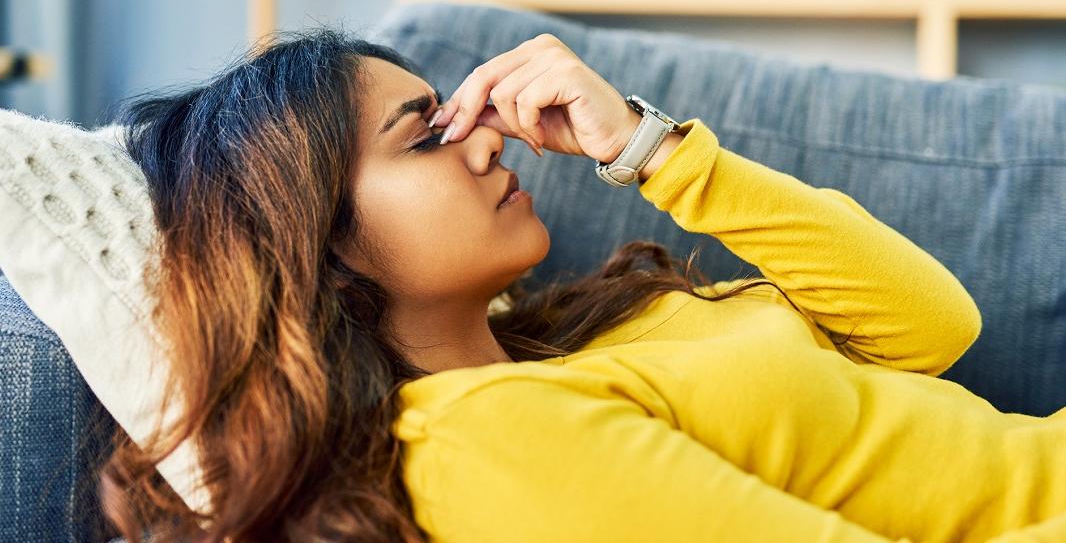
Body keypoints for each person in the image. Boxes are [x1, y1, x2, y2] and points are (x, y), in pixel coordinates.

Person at [101, 28, 1066, 543]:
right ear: (321, 238)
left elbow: (931, 329)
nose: (487, 138)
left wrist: (652, 151)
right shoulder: (476, 444)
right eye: (425, 134)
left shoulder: (588, 330)